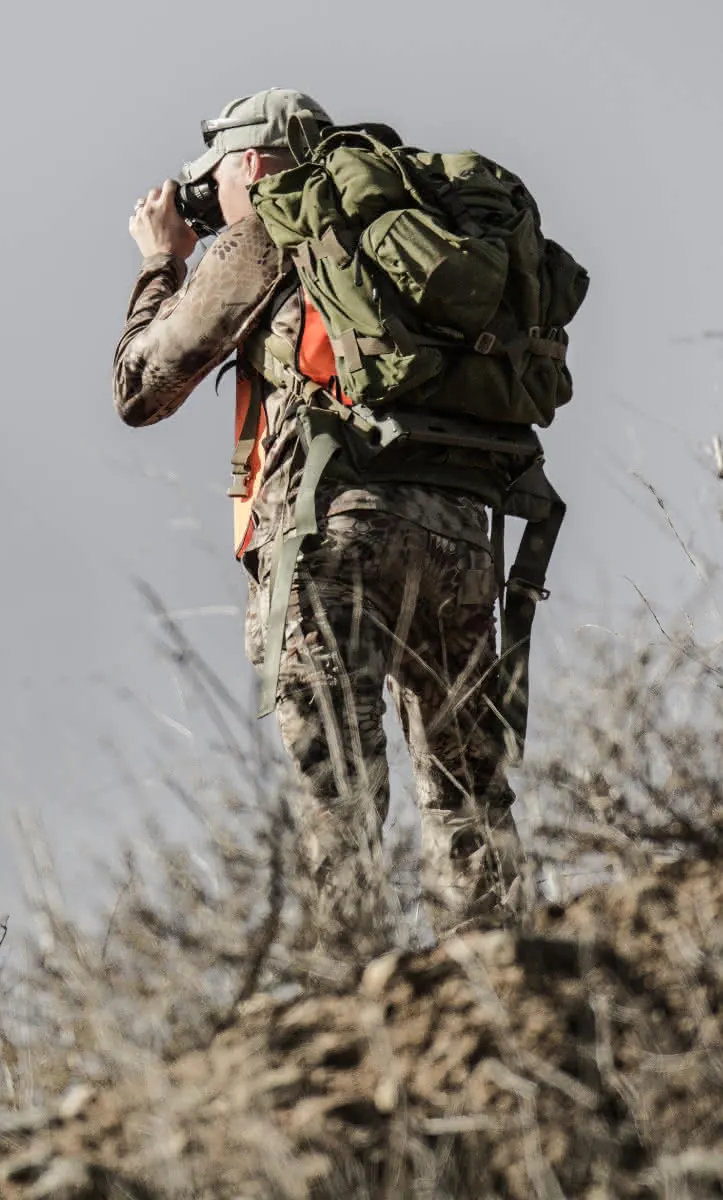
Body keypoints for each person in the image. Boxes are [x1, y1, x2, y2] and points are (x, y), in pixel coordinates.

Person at [112, 89, 530, 946]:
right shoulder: (407, 227)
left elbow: (140, 387)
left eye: (214, 182)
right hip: (460, 533)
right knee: (468, 791)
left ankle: (348, 981)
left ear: (251, 161)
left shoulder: (270, 225)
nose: (211, 202)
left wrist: (162, 261)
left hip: (332, 531)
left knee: (337, 784)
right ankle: (492, 973)